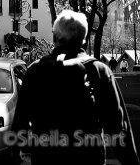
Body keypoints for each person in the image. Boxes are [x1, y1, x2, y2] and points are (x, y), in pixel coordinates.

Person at [12, 10, 139, 165]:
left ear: (54, 38)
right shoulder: (98, 70)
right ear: (84, 40)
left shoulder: (35, 71)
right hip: (88, 158)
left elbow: (20, 123)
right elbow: (118, 126)